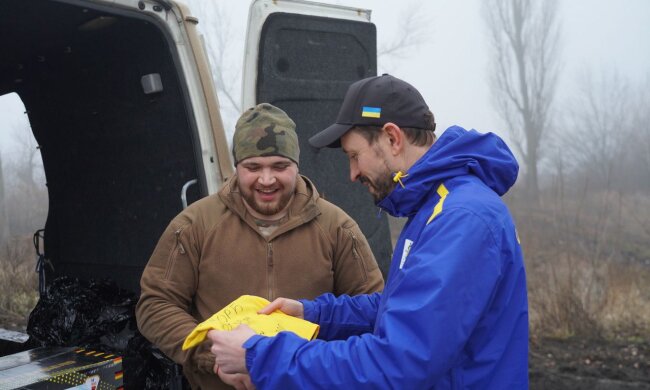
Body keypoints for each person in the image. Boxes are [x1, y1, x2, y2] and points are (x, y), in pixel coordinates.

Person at [208, 74, 529, 389]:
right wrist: (313, 313)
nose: (352, 173)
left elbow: (399, 362)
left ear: (392, 138)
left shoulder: (460, 219)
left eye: (354, 156)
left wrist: (259, 355)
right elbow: (405, 306)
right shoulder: (437, 207)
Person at [136, 103, 384, 390]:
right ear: (236, 167)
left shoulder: (337, 228)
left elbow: (373, 312)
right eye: (253, 167)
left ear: (297, 166)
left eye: (280, 166)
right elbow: (156, 304)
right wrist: (213, 355)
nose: (267, 180)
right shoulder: (194, 225)